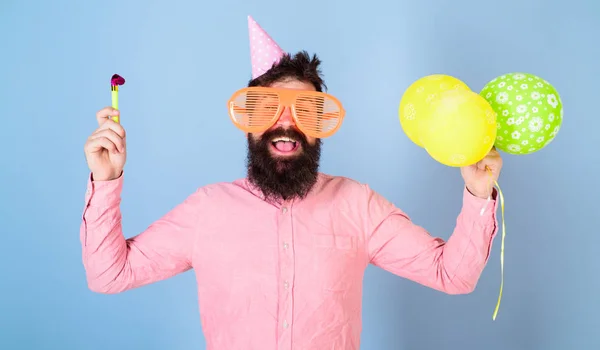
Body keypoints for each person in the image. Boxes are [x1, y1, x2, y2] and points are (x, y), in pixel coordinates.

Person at [80, 16, 501, 350]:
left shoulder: (357, 205)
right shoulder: (207, 210)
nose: (287, 123)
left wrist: (479, 193)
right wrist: (106, 178)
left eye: (306, 111)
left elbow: (454, 275)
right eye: (268, 109)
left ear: (320, 127)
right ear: (248, 123)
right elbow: (109, 275)